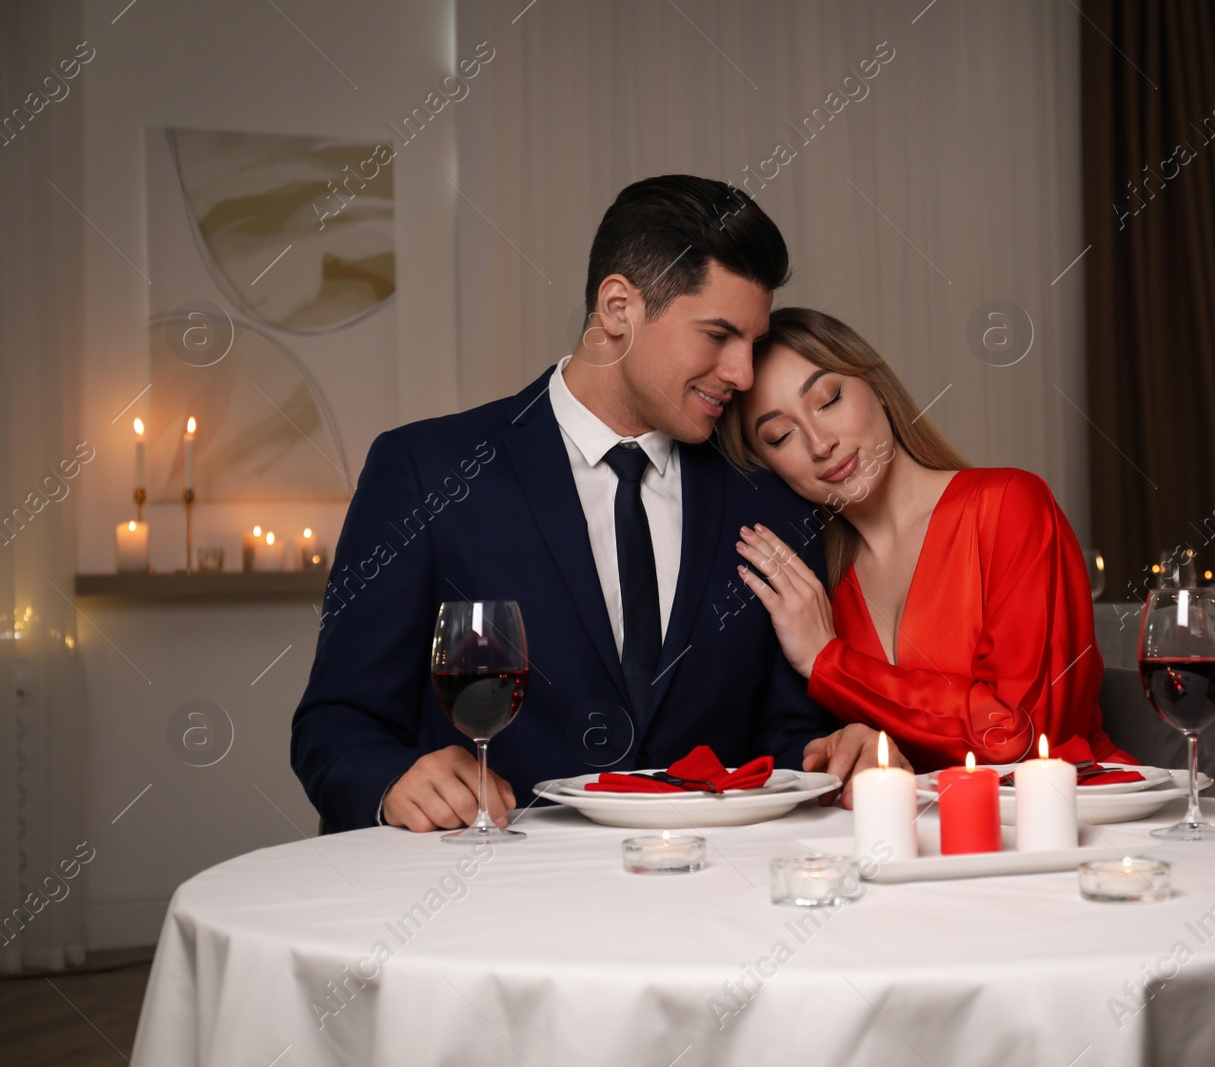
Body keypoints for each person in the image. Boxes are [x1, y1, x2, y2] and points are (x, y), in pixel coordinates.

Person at [292, 177, 906, 834]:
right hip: (491, 908)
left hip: (711, 907)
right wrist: (392, 781)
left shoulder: (771, 499)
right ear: (618, 308)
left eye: (751, 344)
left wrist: (836, 753)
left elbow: (785, 743)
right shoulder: (428, 470)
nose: (743, 374)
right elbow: (337, 724)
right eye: (719, 335)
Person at [719, 307, 1135, 771]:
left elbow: (1018, 736)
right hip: (918, 835)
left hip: (1071, 824)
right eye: (779, 436)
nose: (820, 443)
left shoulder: (1009, 505)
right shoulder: (816, 589)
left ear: (876, 387)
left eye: (828, 398)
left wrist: (828, 661)